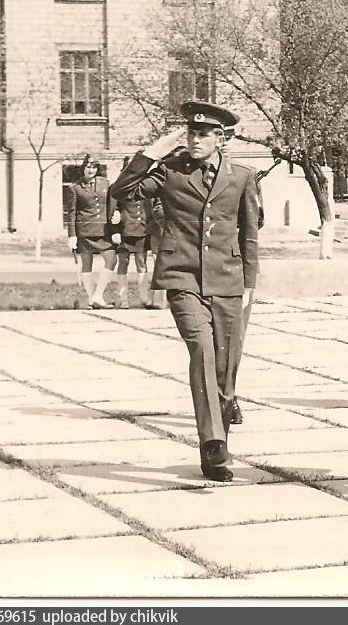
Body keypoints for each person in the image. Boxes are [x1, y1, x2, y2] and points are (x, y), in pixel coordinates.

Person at [110, 102, 259, 483]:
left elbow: (249, 234)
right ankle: (213, 441)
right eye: (191, 133)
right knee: (203, 351)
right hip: (182, 277)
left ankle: (215, 453)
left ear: (220, 139)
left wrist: (250, 284)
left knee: (226, 367)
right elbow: (122, 190)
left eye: (203, 134)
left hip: (228, 280)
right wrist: (152, 153)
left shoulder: (243, 176)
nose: (194, 140)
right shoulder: (170, 172)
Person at [64, 155, 119, 309]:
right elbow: (72, 213)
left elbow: (112, 203)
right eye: (88, 167)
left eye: (94, 167)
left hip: (103, 230)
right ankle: (91, 300)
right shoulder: (75, 187)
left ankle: (98, 296)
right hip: (85, 231)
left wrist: (116, 213)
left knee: (112, 260)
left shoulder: (105, 183)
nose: (91, 170)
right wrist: (72, 235)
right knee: (87, 265)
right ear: (83, 168)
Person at [113, 157, 151, 309]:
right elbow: (113, 212)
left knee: (141, 263)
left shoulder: (147, 185)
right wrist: (115, 231)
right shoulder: (118, 187)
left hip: (142, 229)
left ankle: (144, 298)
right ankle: (123, 299)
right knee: (123, 263)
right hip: (125, 230)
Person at [142, 196, 167, 310]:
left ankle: (160, 301)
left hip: (166, 232)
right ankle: (159, 301)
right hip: (157, 232)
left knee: (161, 266)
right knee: (159, 265)